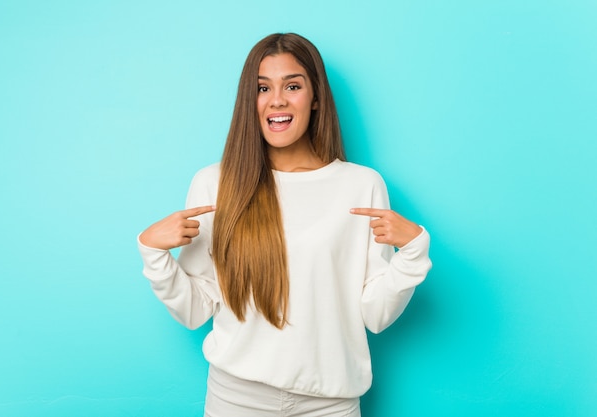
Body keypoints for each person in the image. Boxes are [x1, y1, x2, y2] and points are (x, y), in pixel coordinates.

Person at [137, 33, 432, 417]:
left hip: (331, 404)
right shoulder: (215, 184)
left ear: (315, 98)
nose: (277, 99)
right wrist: (154, 253)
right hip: (236, 400)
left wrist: (413, 253)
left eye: (292, 85)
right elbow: (194, 310)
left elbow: (375, 315)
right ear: (250, 100)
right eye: (263, 88)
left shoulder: (361, 185)